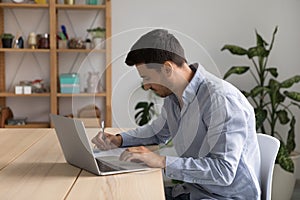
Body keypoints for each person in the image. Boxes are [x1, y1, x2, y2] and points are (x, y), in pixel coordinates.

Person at [92, 29, 261, 200]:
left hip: (223, 197)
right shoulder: (173, 98)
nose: (145, 86)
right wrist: (118, 140)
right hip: (192, 190)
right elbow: (157, 132)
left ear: (167, 69)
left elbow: (223, 171)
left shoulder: (220, 99)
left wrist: (161, 161)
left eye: (146, 77)